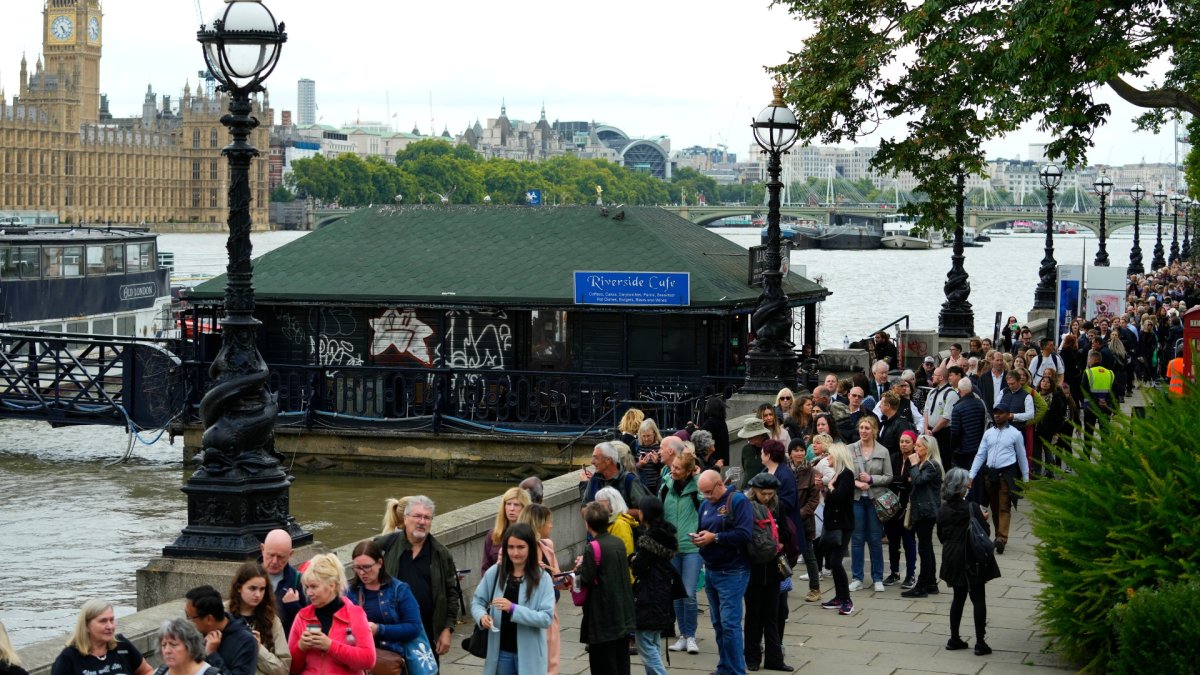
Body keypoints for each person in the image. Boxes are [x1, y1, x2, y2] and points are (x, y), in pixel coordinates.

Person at [374, 495, 461, 662]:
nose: (422, 522)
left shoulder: (440, 554)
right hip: (391, 632)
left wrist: (447, 629)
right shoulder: (384, 546)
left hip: (427, 633)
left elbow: (452, 593)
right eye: (417, 516)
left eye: (427, 517)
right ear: (405, 519)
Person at [470, 523, 555, 675]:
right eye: (510, 547)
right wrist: (482, 617)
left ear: (530, 547)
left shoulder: (543, 578)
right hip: (501, 653)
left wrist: (513, 609)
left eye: (521, 547)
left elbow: (546, 618)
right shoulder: (494, 572)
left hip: (531, 654)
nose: (515, 553)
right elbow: (477, 602)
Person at [693, 469, 753, 674]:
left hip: (733, 571)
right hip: (711, 569)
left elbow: (745, 534)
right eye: (703, 493)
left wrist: (715, 538)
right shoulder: (704, 505)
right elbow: (705, 529)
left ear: (720, 484)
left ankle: (737, 670)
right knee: (718, 623)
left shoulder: (737, 501)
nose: (707, 497)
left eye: (709, 492)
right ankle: (725, 666)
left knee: (730, 624)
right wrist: (700, 538)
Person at [938, 468, 1001, 656]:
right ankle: (980, 642)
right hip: (971, 557)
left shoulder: (942, 509)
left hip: (951, 555)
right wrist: (985, 519)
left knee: (958, 597)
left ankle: (954, 638)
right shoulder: (973, 508)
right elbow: (985, 534)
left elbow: (941, 536)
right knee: (978, 597)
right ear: (962, 487)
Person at [288, 554, 375, 675]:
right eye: (307, 587)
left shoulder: (354, 614)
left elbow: (368, 660)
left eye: (313, 586)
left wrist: (330, 646)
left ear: (332, 585)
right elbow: (290, 669)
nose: (308, 593)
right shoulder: (302, 616)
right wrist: (300, 647)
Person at [576, 501, 636, 675]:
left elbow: (586, 579)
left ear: (587, 524)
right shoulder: (617, 542)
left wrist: (579, 568)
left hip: (602, 616)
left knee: (602, 663)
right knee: (620, 660)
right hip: (621, 612)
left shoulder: (592, 547)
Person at [742, 473, 793, 673]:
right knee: (753, 615)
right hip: (753, 567)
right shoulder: (745, 506)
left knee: (773, 615)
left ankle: (774, 659)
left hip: (773, 567)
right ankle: (752, 658)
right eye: (763, 493)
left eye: (770, 494)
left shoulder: (778, 506)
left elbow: (788, 534)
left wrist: (779, 537)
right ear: (754, 491)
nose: (767, 497)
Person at [346, 540, 424, 671]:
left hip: (389, 660)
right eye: (357, 568)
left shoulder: (399, 590)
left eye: (367, 567)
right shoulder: (349, 592)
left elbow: (414, 627)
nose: (362, 573)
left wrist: (379, 630)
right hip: (357, 661)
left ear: (380, 563)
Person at [968, 407, 1030, 554]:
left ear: (1008, 415)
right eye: (995, 413)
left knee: (1004, 506)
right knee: (994, 508)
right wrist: (971, 475)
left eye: (1000, 413)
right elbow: (980, 454)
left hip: (1007, 474)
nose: (997, 416)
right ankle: (998, 535)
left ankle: (1002, 538)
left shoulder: (1015, 434)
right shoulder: (988, 433)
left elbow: (1022, 456)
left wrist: (1026, 478)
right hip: (990, 475)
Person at [629, 497, 679, 675]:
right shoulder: (666, 536)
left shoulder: (649, 540)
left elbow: (638, 567)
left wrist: (632, 559)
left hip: (649, 593)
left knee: (644, 643)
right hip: (662, 591)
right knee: (654, 641)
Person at [659, 453, 702, 655]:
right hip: (671, 549)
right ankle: (683, 635)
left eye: (677, 468)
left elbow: (706, 511)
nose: (672, 470)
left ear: (688, 472)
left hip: (692, 547)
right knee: (676, 593)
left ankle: (691, 635)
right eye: (672, 467)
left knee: (689, 593)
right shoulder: (666, 485)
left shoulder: (697, 489)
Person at [848, 413, 893, 593]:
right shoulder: (850, 449)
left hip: (875, 500)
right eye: (861, 428)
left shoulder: (883, 451)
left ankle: (878, 578)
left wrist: (872, 479)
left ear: (874, 430)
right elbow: (843, 472)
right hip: (857, 499)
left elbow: (889, 477)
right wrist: (856, 482)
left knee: (875, 539)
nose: (863, 431)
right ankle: (857, 577)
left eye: (867, 428)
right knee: (857, 539)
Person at [517, 503, 563, 675]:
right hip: (529, 615)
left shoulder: (547, 547)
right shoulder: (516, 550)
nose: (551, 525)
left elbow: (556, 576)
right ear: (538, 524)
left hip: (549, 613)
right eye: (548, 522)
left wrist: (566, 578)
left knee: (551, 663)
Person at [52, 600, 152, 675]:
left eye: (112, 620)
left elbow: (147, 671)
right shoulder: (69, 658)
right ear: (86, 626)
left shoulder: (122, 646)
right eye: (103, 621)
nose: (110, 626)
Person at [226, 562, 289, 675]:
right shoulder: (223, 613)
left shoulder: (272, 620)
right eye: (252, 588)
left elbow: (284, 669)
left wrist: (259, 649)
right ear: (239, 587)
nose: (258, 594)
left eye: (262, 589)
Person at [902, 434, 945, 598]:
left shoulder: (931, 465)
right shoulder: (925, 464)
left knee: (924, 548)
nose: (915, 448)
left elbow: (919, 481)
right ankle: (931, 583)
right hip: (924, 509)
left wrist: (913, 465)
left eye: (918, 446)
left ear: (928, 449)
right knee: (926, 547)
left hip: (926, 511)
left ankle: (922, 585)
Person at [184, 586, 257, 675]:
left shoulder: (246, 642)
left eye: (189, 617)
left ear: (209, 619)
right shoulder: (196, 634)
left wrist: (212, 654)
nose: (187, 622)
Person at [820, 443, 858, 615]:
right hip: (833, 524)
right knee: (833, 563)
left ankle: (847, 600)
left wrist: (830, 487)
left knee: (836, 562)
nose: (827, 458)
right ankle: (839, 597)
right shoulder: (838, 474)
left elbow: (838, 496)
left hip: (843, 525)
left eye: (830, 455)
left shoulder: (847, 475)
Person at [883, 430, 918, 590]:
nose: (904, 444)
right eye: (902, 441)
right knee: (893, 542)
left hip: (908, 507)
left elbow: (913, 482)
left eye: (907, 442)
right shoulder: (893, 458)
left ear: (913, 444)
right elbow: (890, 479)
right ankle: (894, 571)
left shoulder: (916, 459)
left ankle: (911, 574)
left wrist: (901, 482)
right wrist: (902, 481)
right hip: (892, 506)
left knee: (909, 541)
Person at [791, 438, 824, 603]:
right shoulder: (786, 471)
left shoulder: (812, 472)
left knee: (808, 554)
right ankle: (783, 583)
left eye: (801, 450)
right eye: (795, 450)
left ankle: (815, 588)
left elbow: (813, 501)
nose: (799, 453)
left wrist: (799, 514)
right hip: (787, 521)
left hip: (804, 521)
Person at [260, 530, 307, 635]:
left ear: (290, 554)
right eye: (270, 555)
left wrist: (294, 606)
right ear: (262, 549)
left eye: (281, 557)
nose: (275, 561)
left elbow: (309, 624)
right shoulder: (248, 576)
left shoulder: (298, 581)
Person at [579, 441, 651, 508]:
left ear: (608, 460)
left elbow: (644, 511)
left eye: (596, 458)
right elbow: (584, 507)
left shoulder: (629, 480)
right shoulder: (594, 479)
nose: (592, 462)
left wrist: (615, 511)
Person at [482, 487, 531, 574]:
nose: (511, 509)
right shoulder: (493, 534)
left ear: (524, 508)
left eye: (516, 505)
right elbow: (485, 568)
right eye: (508, 504)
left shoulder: (531, 534)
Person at [737, 417, 772, 487]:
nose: (747, 438)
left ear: (761, 435)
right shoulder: (746, 449)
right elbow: (745, 470)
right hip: (746, 490)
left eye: (750, 436)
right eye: (747, 436)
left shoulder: (773, 449)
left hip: (765, 491)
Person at [634, 418, 665, 493]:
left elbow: (666, 467)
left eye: (649, 436)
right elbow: (629, 466)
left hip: (655, 485)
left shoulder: (661, 445)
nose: (646, 439)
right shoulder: (635, 445)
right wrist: (639, 464)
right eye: (643, 436)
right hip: (640, 485)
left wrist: (657, 462)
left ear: (654, 433)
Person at [699, 395, 730, 469]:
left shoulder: (710, 423)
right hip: (721, 459)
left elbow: (701, 437)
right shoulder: (721, 422)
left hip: (713, 460)